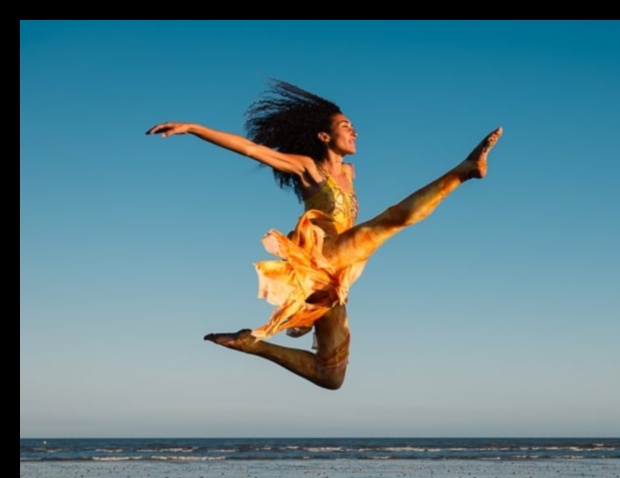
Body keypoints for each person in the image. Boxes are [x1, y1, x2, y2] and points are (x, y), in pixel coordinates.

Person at [147, 80, 502, 390]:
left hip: (338, 276)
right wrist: (194, 128)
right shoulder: (308, 167)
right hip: (320, 255)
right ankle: (464, 170)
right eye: (345, 126)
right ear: (324, 136)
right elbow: (252, 149)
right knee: (393, 220)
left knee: (331, 376)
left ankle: (253, 343)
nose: (354, 131)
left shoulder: (350, 172)